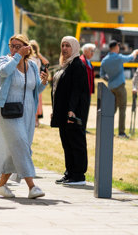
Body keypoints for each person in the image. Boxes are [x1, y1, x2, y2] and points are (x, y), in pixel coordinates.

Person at [0, 34, 48, 199]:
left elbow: (34, 89)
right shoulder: (4, 60)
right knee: (22, 146)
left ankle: (1, 185)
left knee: (16, 148)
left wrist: (43, 83)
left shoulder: (31, 66)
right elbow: (3, 72)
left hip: (28, 111)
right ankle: (32, 186)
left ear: (27, 47)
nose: (14, 49)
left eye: (18, 46)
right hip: (8, 110)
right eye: (12, 45)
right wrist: (17, 56)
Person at [51, 36, 90, 186]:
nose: (64, 48)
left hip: (73, 112)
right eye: (63, 45)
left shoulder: (77, 65)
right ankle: (69, 172)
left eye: (68, 46)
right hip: (64, 111)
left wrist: (72, 111)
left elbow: (77, 90)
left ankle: (79, 175)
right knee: (66, 142)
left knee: (76, 142)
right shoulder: (66, 64)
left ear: (74, 48)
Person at [99, 40, 138, 138]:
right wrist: (135, 52)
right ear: (116, 47)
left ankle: (107, 130)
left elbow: (102, 75)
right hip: (120, 86)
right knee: (122, 109)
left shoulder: (104, 60)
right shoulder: (118, 57)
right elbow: (130, 57)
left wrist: (110, 80)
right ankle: (121, 132)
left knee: (112, 110)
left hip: (111, 87)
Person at [29, 40, 50, 127]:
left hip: (36, 80)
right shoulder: (34, 58)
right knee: (37, 101)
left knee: (36, 100)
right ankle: (35, 120)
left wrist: (39, 55)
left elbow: (47, 63)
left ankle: (35, 119)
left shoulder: (35, 58)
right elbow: (47, 63)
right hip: (35, 80)